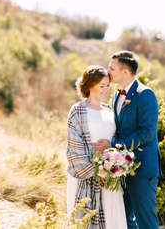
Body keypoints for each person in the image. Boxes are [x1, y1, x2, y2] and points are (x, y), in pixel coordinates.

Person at [93, 51, 161, 229]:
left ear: (125, 72)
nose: (108, 72)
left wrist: (115, 145)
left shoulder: (145, 94)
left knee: (146, 222)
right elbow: (119, 128)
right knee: (123, 220)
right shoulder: (116, 95)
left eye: (112, 68)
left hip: (143, 170)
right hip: (120, 169)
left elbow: (147, 133)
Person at [66, 65, 127, 229]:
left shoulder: (110, 111)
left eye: (108, 85)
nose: (106, 90)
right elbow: (74, 147)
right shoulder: (78, 111)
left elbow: (117, 141)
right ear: (90, 85)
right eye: (102, 86)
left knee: (112, 220)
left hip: (110, 179)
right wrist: (97, 169)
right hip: (85, 178)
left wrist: (114, 163)